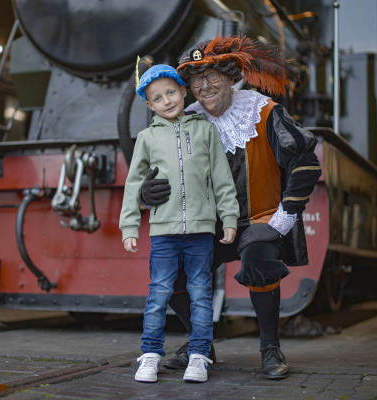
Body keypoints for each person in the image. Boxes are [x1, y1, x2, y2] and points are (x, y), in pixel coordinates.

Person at [140, 35, 322, 380]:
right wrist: (147, 192)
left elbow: (306, 164)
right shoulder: (182, 124)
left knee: (258, 256)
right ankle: (201, 345)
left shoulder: (264, 112)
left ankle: (270, 348)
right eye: (195, 81)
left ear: (229, 77)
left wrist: (281, 221)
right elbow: (156, 175)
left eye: (211, 77)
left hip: (262, 217)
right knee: (169, 268)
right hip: (207, 223)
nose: (204, 87)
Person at [119, 64, 240, 383]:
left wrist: (229, 216)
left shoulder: (205, 131)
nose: (167, 100)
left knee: (201, 293)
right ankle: (149, 355)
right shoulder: (146, 138)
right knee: (158, 292)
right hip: (163, 232)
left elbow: (221, 178)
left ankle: (199, 356)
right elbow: (134, 184)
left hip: (201, 231)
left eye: (171, 92)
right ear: (150, 105)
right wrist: (129, 227)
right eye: (158, 98)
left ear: (184, 91)